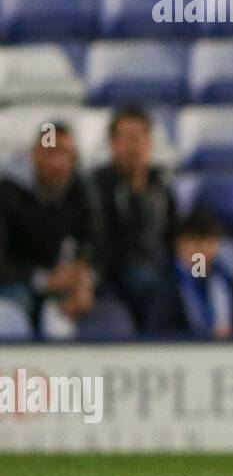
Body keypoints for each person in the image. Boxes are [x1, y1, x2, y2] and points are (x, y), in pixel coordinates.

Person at [0, 123, 101, 337]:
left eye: (66, 155)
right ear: (34, 155)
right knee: (12, 312)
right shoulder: (7, 194)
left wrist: (85, 278)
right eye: (51, 153)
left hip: (63, 285)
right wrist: (44, 280)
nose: (58, 163)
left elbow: (97, 247)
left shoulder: (82, 193)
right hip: (16, 283)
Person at [92, 105, 178, 330]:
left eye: (139, 137)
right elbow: (103, 242)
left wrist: (196, 263)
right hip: (116, 270)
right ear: (113, 144)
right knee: (148, 282)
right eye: (126, 138)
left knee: (204, 274)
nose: (134, 146)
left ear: (150, 142)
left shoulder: (161, 185)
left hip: (159, 266)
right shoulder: (97, 185)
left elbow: (175, 234)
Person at [144, 207, 233, 338]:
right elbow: (159, 330)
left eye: (210, 242)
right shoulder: (164, 285)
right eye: (198, 242)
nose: (203, 250)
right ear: (180, 244)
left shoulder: (225, 281)